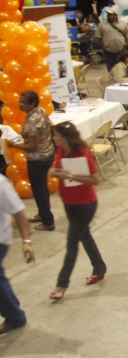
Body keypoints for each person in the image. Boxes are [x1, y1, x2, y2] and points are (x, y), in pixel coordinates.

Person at [47, 122, 107, 300]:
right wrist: (55, 172)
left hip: (85, 204)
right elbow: (59, 168)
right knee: (84, 235)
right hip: (69, 202)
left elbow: (95, 179)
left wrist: (70, 176)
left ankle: (62, 283)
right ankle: (99, 268)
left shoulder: (82, 154)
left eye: (56, 135)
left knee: (72, 242)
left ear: (64, 138)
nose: (53, 138)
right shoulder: (59, 151)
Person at [5, 91, 55, 232]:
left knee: (39, 191)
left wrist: (15, 145)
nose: (19, 104)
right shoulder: (40, 111)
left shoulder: (33, 121)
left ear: (32, 104)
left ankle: (48, 222)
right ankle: (42, 213)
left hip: (38, 159)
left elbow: (32, 146)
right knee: (42, 188)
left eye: (22, 102)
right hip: (47, 154)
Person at [0, 172, 35, 334]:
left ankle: (15, 317)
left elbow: (19, 212)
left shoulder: (1, 183)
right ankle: (15, 316)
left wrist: (26, 242)